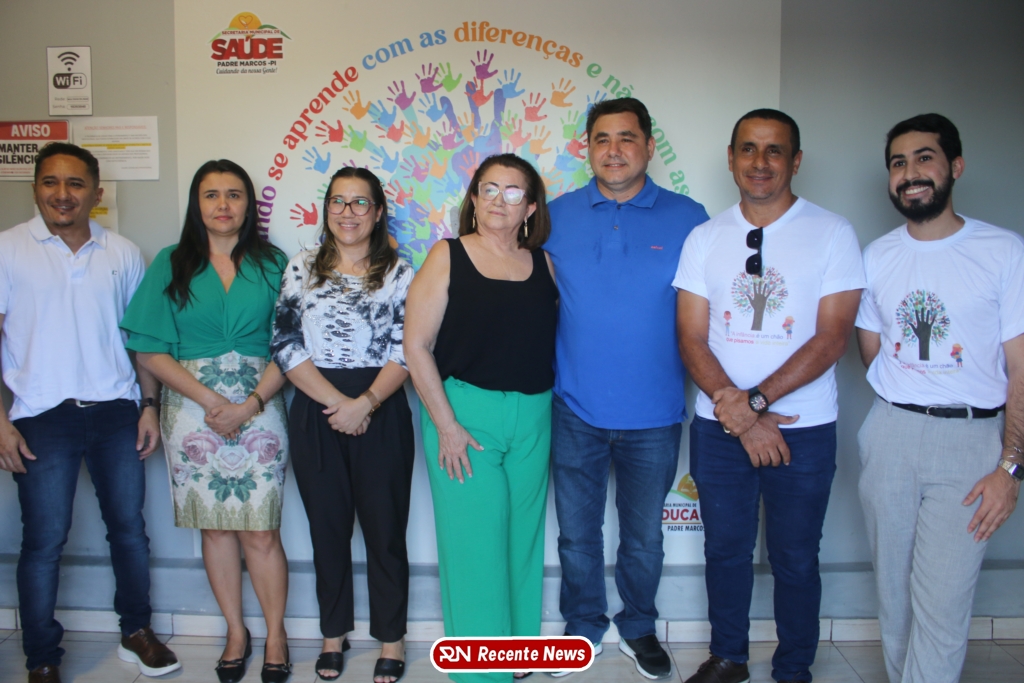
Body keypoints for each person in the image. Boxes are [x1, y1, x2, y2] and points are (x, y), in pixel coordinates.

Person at [675, 109, 864, 683]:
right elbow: (690, 335)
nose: (760, 162)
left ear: (796, 161)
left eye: (774, 150)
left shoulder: (833, 232)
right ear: (731, 159)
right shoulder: (705, 237)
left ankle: (793, 668)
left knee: (795, 557)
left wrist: (752, 405)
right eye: (748, 149)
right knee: (725, 551)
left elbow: (832, 338)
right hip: (718, 428)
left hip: (804, 428)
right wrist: (738, 412)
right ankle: (728, 657)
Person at [0, 142, 179, 683]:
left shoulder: (122, 253)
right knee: (43, 541)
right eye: (51, 182)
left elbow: (141, 340)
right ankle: (42, 657)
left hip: (116, 411)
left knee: (129, 530)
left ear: (96, 193)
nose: (63, 194)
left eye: (75, 184)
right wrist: (1, 423)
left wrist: (149, 406)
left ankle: (137, 631)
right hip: (40, 415)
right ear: (35, 188)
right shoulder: (7, 249)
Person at [855, 114, 1024, 683]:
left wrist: (1011, 467)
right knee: (895, 599)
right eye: (898, 163)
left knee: (943, 605)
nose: (910, 173)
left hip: (971, 441)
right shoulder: (877, 256)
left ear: (955, 166)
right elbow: (872, 351)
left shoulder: (1003, 251)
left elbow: (1021, 367)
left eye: (924, 158)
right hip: (890, 433)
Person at [544, 97, 708, 679]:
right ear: (587, 148)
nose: (614, 151)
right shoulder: (554, 216)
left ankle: (638, 626)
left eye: (627, 138)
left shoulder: (690, 217)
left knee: (643, 540)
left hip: (656, 413)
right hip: (574, 409)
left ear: (649, 146)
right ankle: (583, 625)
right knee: (577, 537)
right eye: (602, 139)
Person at [120, 160, 290, 683]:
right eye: (211, 194)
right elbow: (148, 347)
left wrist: (249, 404)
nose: (223, 204)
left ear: (249, 204)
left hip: (262, 404)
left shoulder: (274, 263)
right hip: (192, 412)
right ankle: (236, 632)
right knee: (215, 527)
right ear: (197, 203)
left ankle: (276, 635)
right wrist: (210, 400)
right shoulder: (171, 262)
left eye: (234, 194)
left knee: (261, 529)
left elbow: (293, 345)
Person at [405, 153, 557, 683]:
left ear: (530, 207)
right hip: (464, 415)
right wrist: (446, 426)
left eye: (513, 192)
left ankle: (517, 655)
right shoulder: (447, 256)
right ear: (473, 198)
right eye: (489, 188)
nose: (499, 200)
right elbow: (416, 346)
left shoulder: (544, 264)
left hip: (534, 415)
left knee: (522, 541)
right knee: (474, 546)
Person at [271, 166, 415, 683]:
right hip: (317, 407)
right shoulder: (302, 266)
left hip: (383, 407)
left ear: (378, 212)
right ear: (326, 208)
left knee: (385, 531)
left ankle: (392, 639)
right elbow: (285, 342)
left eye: (359, 202)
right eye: (338, 201)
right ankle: (333, 634)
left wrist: (366, 403)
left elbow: (409, 347)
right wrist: (340, 404)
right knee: (327, 530)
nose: (347, 212)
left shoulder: (401, 272)